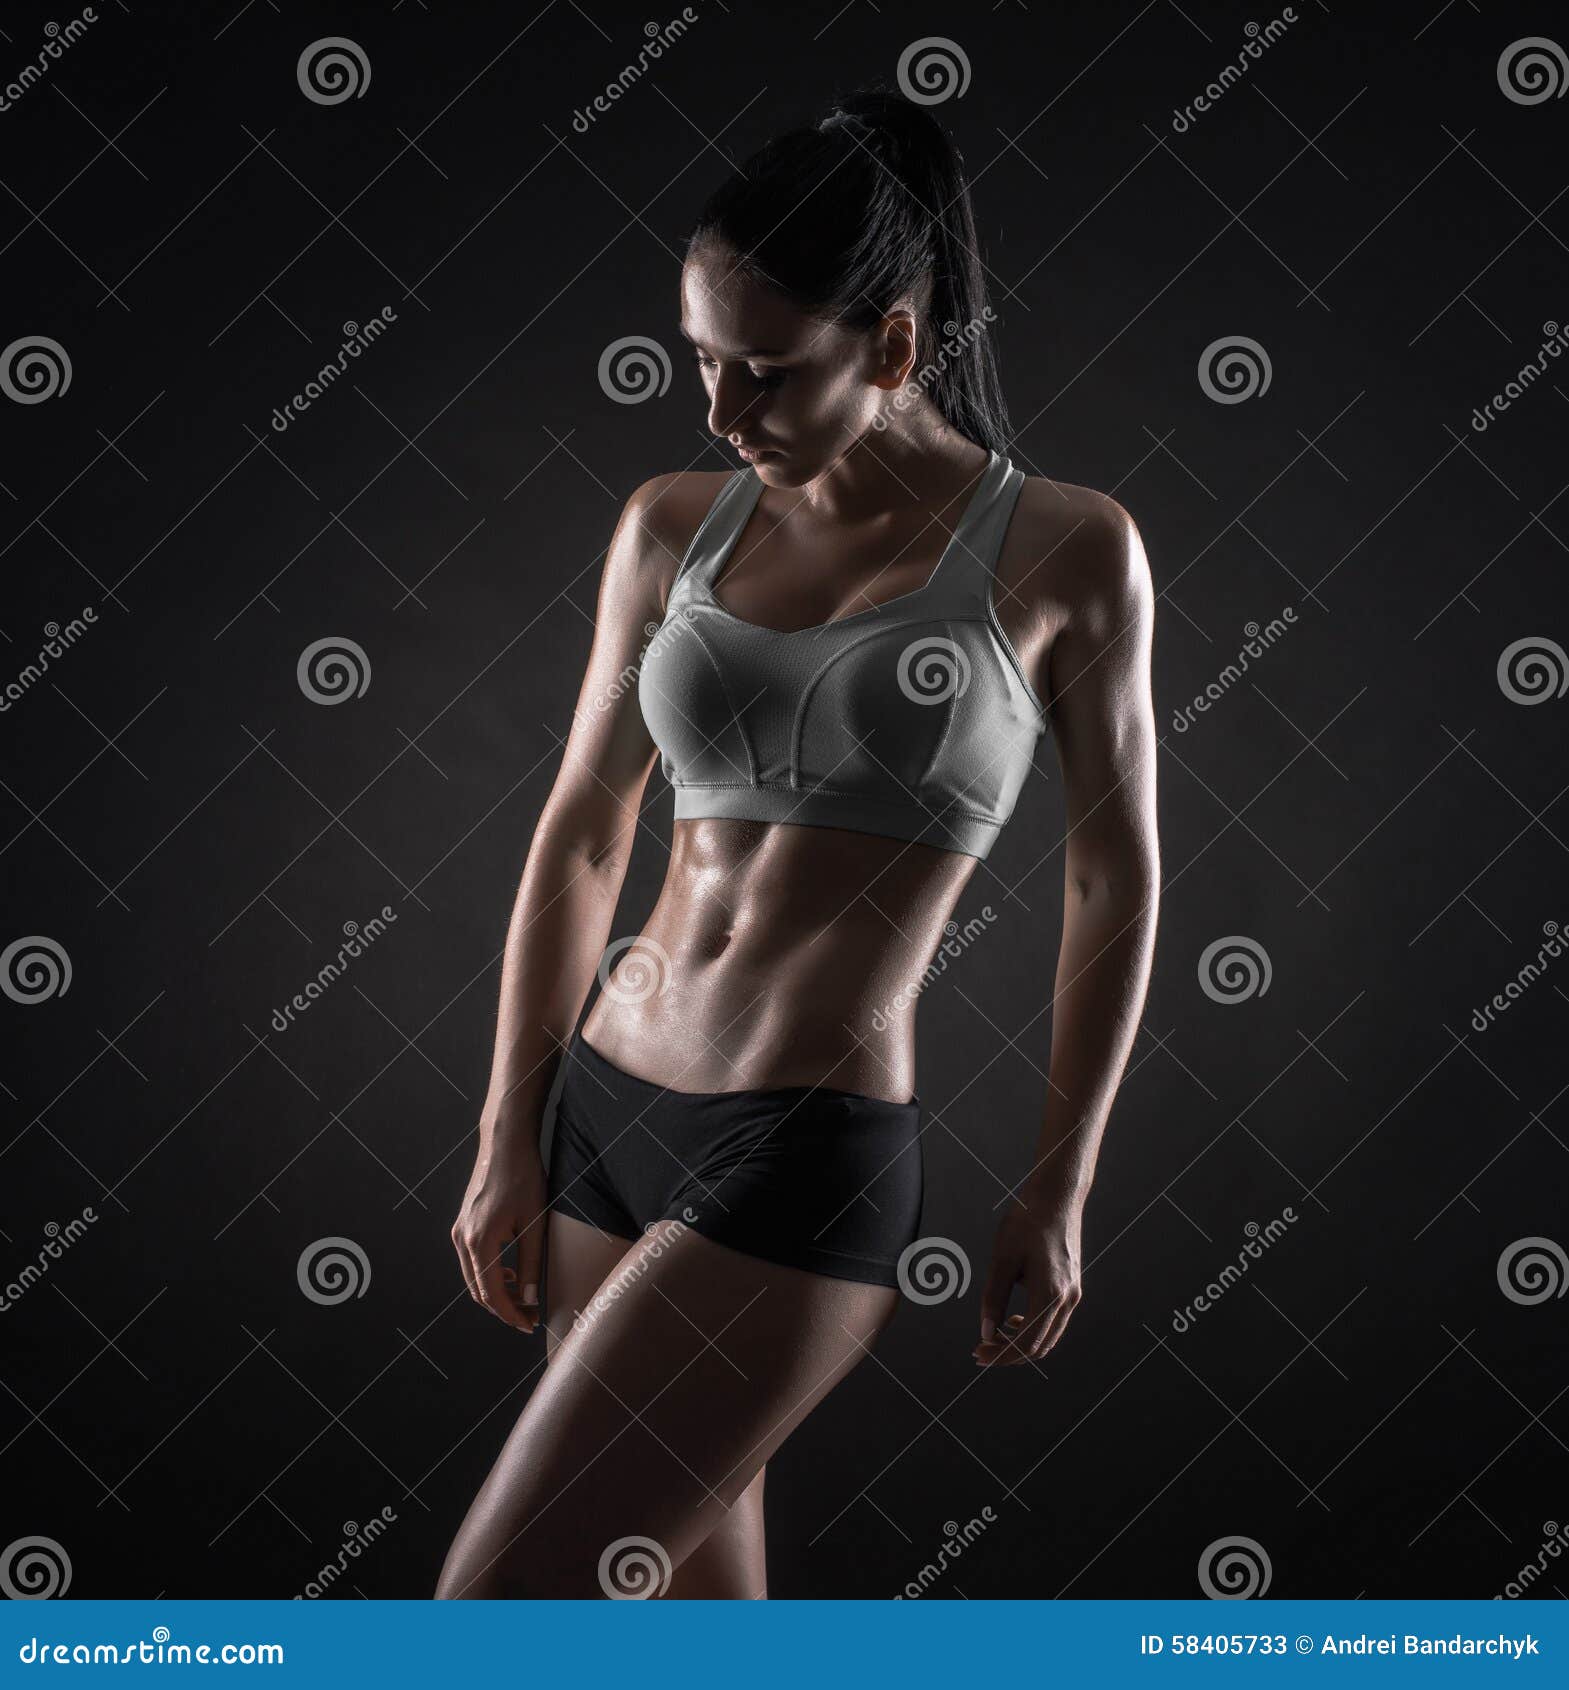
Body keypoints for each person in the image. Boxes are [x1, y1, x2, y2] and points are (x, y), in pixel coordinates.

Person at [437, 83, 1158, 1601]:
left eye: (762, 373)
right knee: (693, 1628)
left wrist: (1060, 1177)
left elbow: (1113, 870)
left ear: (891, 344)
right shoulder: (668, 523)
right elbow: (582, 829)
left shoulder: (1065, 549)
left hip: (795, 1153)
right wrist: (512, 1122)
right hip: (605, 1119)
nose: (717, 410)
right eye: (701, 359)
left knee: (494, 1613)